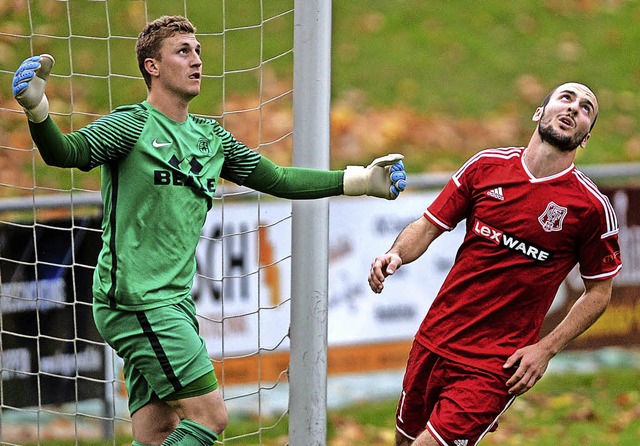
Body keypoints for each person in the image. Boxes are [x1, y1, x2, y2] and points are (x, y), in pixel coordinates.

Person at [12, 15, 407, 446]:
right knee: (211, 418)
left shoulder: (211, 138)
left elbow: (277, 179)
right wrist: (38, 110)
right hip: (136, 302)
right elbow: (64, 152)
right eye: (183, 50)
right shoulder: (131, 125)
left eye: (198, 50)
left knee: (158, 432)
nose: (197, 59)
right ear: (153, 67)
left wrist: (360, 181)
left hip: (174, 302)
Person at [368, 82, 622, 446]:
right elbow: (427, 226)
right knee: (405, 441)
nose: (573, 108)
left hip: (495, 364)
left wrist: (546, 348)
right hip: (434, 339)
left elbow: (599, 292)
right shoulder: (487, 166)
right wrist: (395, 255)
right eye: (566, 98)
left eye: (586, 109)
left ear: (585, 139)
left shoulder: (590, 207)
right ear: (540, 112)